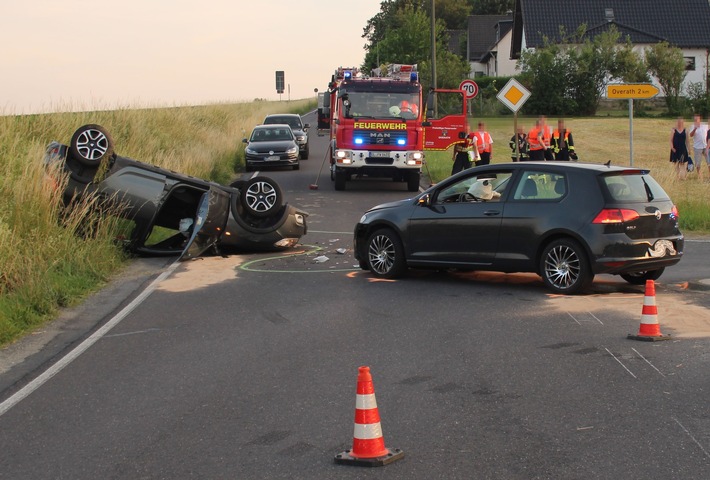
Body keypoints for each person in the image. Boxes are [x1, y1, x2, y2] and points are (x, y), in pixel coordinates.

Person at [689, 114, 708, 180]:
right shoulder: (692, 126)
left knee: (709, 161)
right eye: (695, 120)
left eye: (697, 119)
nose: (696, 121)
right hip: (697, 147)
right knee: (698, 163)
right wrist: (695, 129)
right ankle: (700, 176)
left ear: (700, 119)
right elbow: (691, 135)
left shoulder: (705, 126)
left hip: (706, 146)